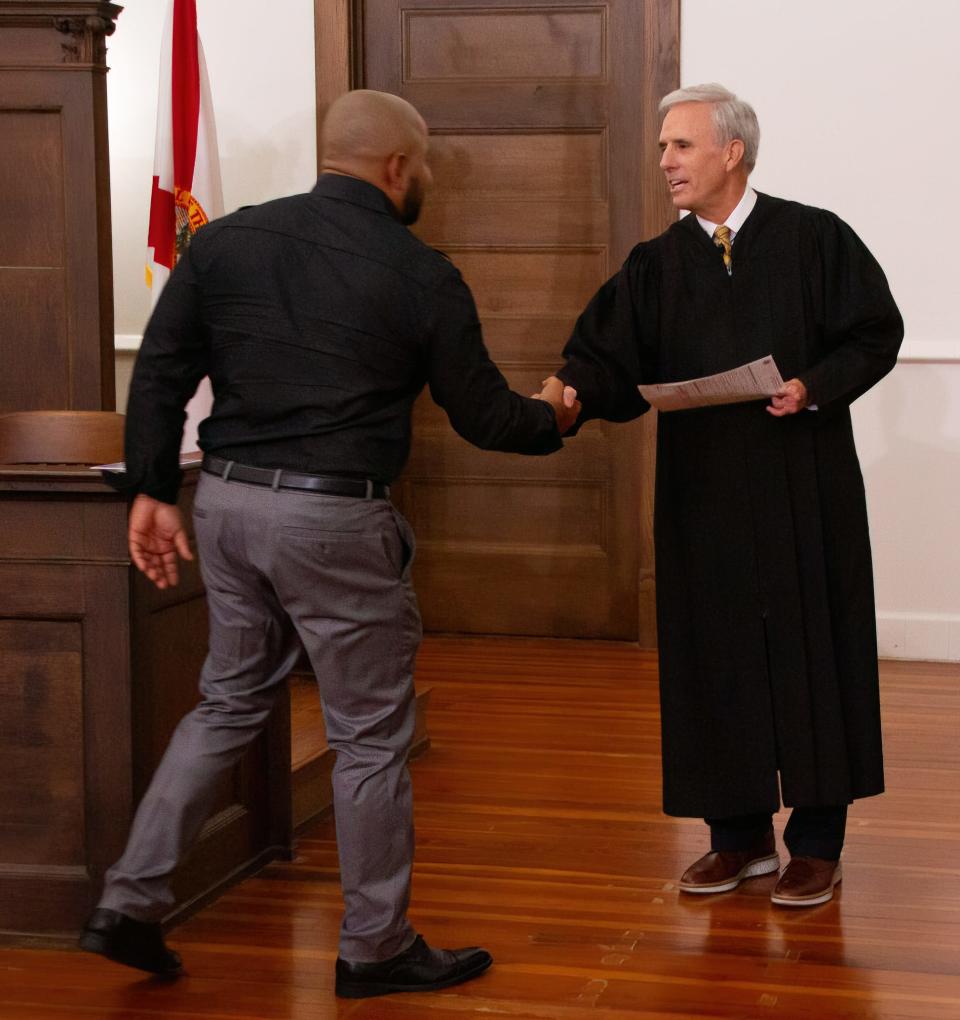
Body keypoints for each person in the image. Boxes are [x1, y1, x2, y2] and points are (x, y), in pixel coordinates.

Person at [80, 89, 579, 997]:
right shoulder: (421, 272)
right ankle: (375, 947)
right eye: (422, 164)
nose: (423, 177)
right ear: (397, 167)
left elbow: (158, 369)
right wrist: (555, 414)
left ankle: (131, 900)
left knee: (227, 703)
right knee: (370, 737)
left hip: (226, 507)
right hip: (334, 522)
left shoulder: (226, 240)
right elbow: (488, 419)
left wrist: (153, 488)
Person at [539, 83, 903, 907]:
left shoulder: (814, 238)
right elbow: (602, 360)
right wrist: (561, 399)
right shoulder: (656, 265)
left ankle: (815, 841)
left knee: (813, 648)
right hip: (702, 497)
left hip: (803, 485)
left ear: (731, 151)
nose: (664, 160)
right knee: (716, 656)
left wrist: (814, 384)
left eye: (681, 145)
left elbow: (876, 331)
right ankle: (736, 839)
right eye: (663, 146)